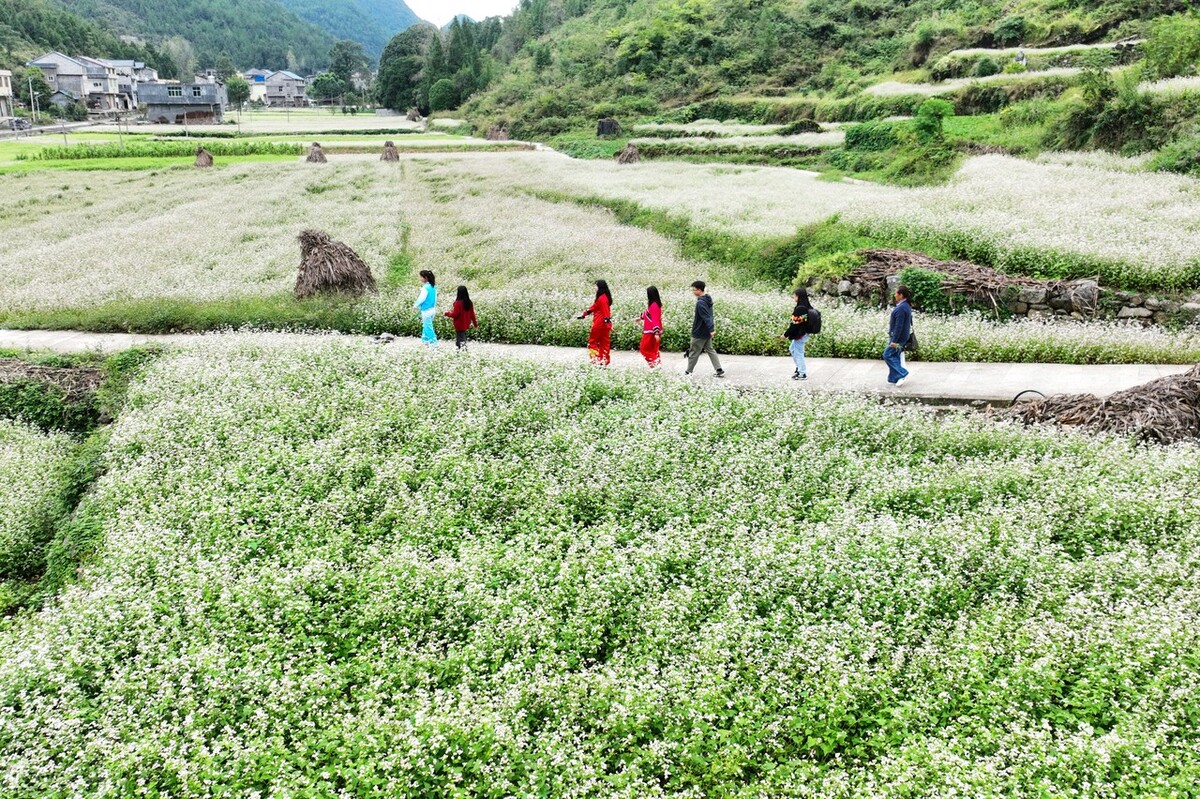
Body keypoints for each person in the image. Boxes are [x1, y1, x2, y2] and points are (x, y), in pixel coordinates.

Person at [685, 280, 724, 378]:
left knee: (694, 351)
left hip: (699, 332)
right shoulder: (707, 299)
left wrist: (712, 329)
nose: (693, 292)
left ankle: (688, 372)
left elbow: (706, 317)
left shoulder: (700, 303)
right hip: (706, 332)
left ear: (699, 290)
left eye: (694, 290)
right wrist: (710, 330)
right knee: (710, 349)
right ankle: (718, 369)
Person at [579, 279, 614, 366]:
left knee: (592, 342)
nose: (594, 288)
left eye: (595, 286)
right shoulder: (603, 297)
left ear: (599, 287)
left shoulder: (602, 299)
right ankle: (604, 361)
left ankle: (595, 360)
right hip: (604, 325)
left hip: (599, 324)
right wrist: (584, 314)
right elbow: (593, 307)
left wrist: (609, 324)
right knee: (604, 343)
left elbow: (606, 313)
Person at [884, 285, 913, 386]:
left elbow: (898, 326)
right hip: (903, 337)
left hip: (898, 338)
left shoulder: (901, 308)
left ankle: (902, 373)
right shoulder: (906, 306)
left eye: (896, 293)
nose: (894, 295)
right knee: (895, 355)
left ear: (901, 295)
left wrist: (894, 340)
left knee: (887, 354)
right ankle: (894, 378)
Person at [782, 288, 811, 380]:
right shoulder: (806, 306)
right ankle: (799, 368)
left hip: (800, 334)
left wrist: (785, 335)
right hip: (803, 333)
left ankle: (802, 373)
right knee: (793, 349)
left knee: (798, 353)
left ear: (798, 296)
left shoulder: (801, 308)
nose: (793, 297)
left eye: (794, 295)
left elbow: (795, 324)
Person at [444, 285, 478, 351]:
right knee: (461, 337)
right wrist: (475, 324)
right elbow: (472, 314)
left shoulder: (458, 303)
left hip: (459, 323)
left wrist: (447, 313)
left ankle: (463, 351)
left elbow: (455, 314)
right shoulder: (469, 302)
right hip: (466, 323)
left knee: (461, 338)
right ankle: (459, 350)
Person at [639, 286, 663, 368]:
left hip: (651, 331)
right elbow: (648, 313)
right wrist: (640, 318)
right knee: (653, 350)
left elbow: (655, 319)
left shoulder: (654, 305)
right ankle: (656, 364)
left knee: (644, 349)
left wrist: (656, 332)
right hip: (653, 331)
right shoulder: (655, 304)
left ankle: (654, 363)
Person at [414, 270, 438, 345]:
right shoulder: (433, 286)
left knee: (428, 327)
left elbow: (422, 298)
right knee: (426, 325)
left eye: (421, 277)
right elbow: (435, 298)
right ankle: (425, 340)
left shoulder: (426, 287)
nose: (420, 278)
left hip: (426, 310)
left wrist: (415, 305)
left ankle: (434, 343)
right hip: (432, 309)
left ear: (426, 278)